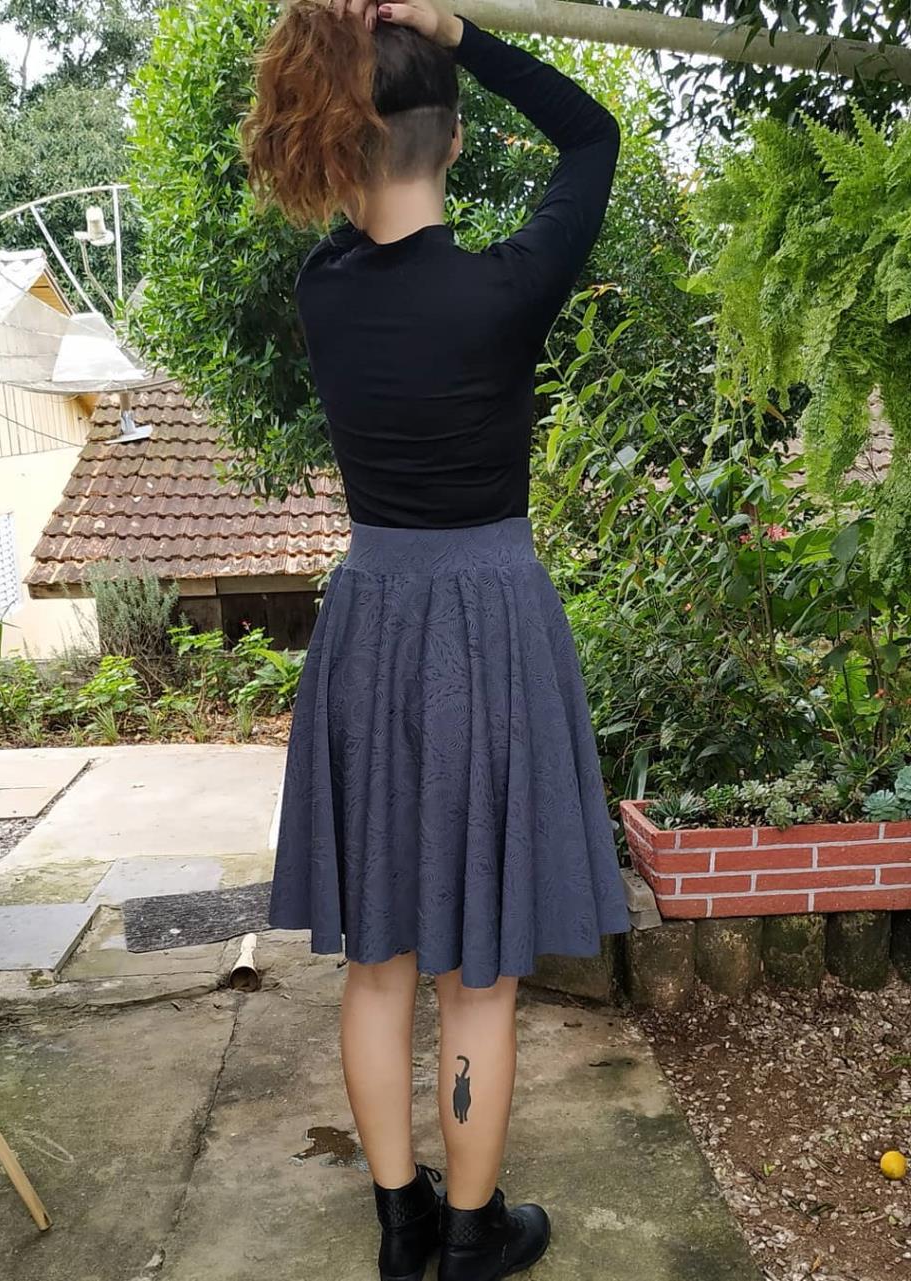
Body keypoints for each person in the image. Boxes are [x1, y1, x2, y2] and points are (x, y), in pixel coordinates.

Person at [243, 1, 630, 1277]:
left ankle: (399, 1225)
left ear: (341, 142)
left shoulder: (323, 291)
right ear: (454, 142)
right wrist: (459, 30)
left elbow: (354, 218)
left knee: (378, 962)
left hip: (371, 632)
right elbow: (589, 135)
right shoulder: (506, 289)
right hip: (493, 627)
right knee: (479, 978)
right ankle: (471, 1238)